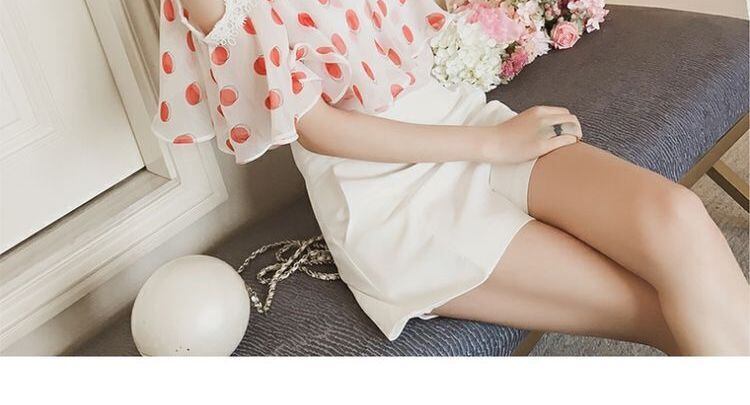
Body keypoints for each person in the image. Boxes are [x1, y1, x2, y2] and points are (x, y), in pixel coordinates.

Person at [153, 0, 750, 355]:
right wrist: (493, 145)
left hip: (462, 116)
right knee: (665, 308)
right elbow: (318, 129)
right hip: (387, 199)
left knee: (677, 218)